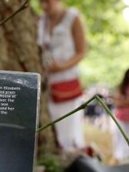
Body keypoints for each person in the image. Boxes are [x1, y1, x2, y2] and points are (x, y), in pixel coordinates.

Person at [37, 0, 88, 150]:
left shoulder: (72, 17)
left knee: (68, 132)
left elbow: (82, 51)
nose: (44, 5)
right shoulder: (40, 20)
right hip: (46, 84)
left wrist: (61, 67)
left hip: (66, 83)